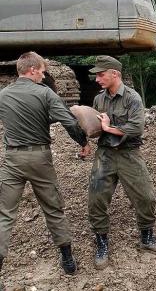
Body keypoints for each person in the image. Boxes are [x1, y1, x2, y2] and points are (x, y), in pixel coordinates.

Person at [0, 51, 91, 277]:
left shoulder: (3, 94)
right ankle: (68, 260)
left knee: (5, 214)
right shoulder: (46, 94)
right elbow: (68, 121)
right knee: (53, 208)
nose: (43, 75)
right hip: (39, 158)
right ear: (31, 70)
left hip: (12, 159)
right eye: (41, 71)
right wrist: (83, 141)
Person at [88, 55, 156, 269]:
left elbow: (136, 128)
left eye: (101, 74)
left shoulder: (133, 98)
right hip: (104, 154)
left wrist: (108, 128)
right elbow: (95, 127)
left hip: (129, 154)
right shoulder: (99, 99)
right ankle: (101, 243)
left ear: (115, 74)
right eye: (97, 75)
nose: (97, 79)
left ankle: (147, 237)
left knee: (146, 196)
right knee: (96, 200)